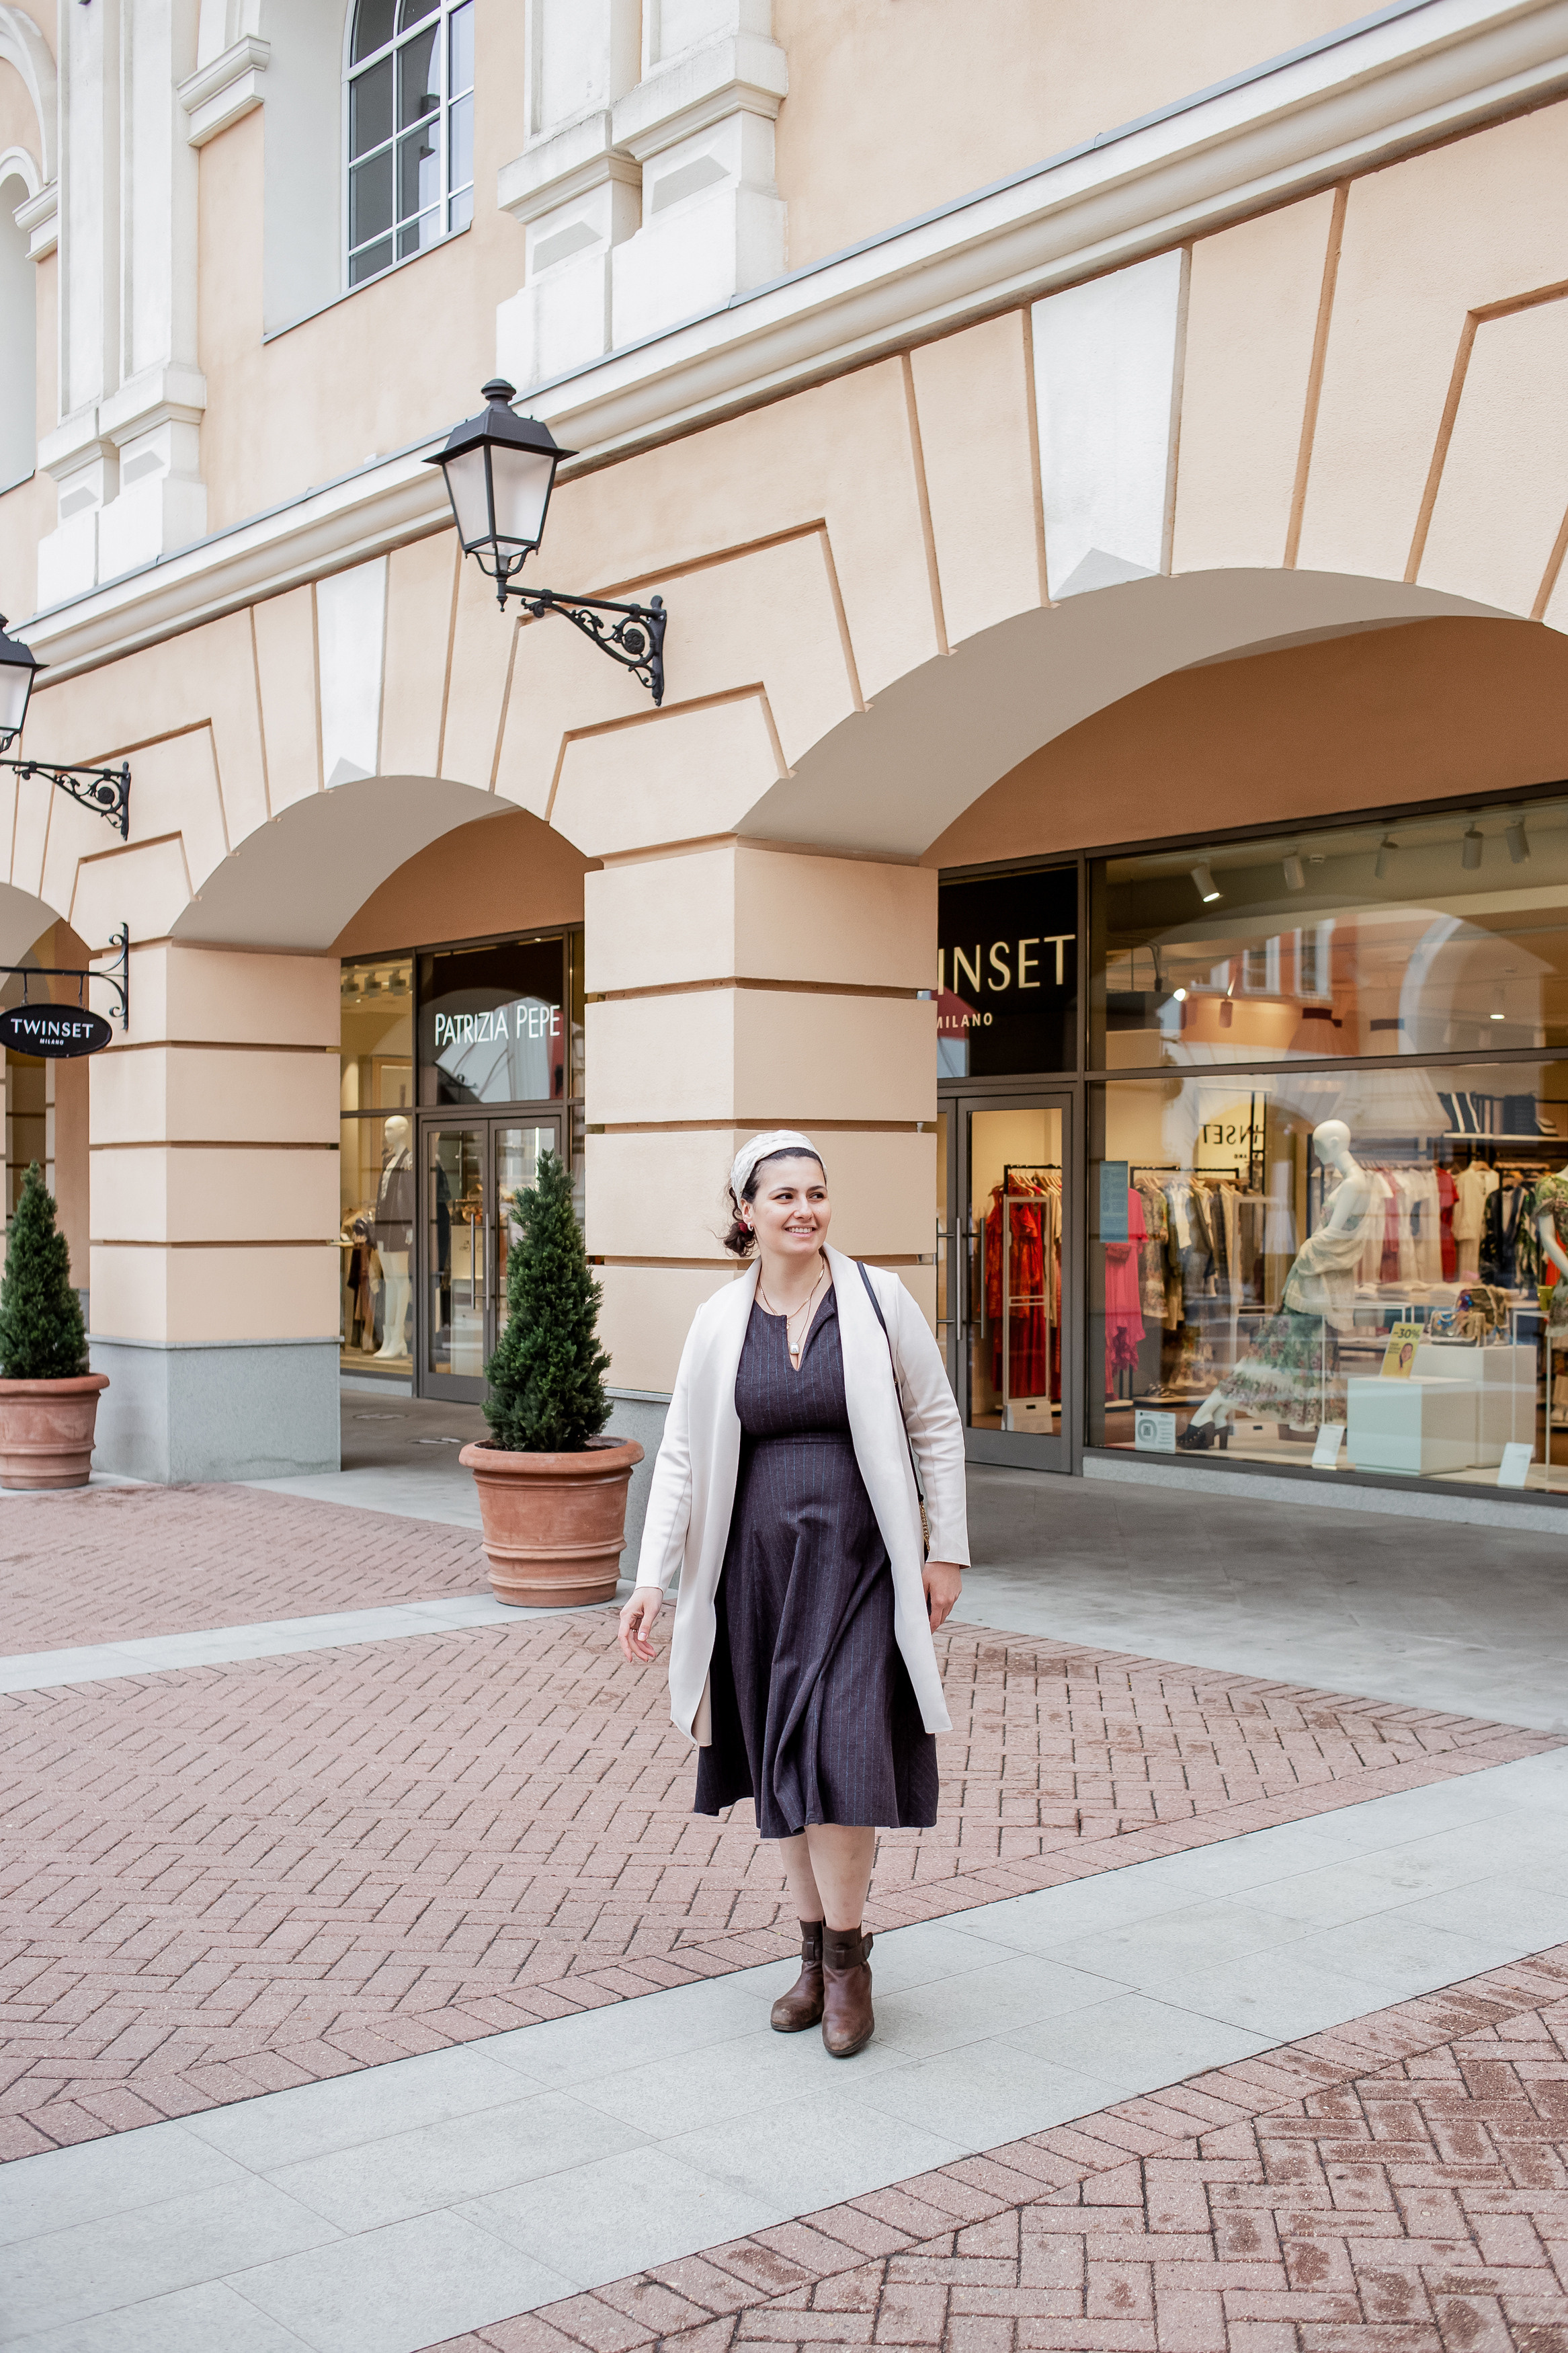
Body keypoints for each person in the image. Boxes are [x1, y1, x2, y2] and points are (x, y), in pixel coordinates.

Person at [617, 1130, 968, 2059]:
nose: (805, 1210)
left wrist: (947, 1551)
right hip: (755, 1572)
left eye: (816, 1193)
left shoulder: (878, 1299)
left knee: (842, 1749)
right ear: (747, 1213)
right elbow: (685, 1457)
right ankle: (810, 1955)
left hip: (859, 1563)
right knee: (780, 1755)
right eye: (783, 1197)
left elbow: (934, 1422)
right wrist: (652, 1576)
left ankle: (849, 1961)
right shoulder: (717, 1321)